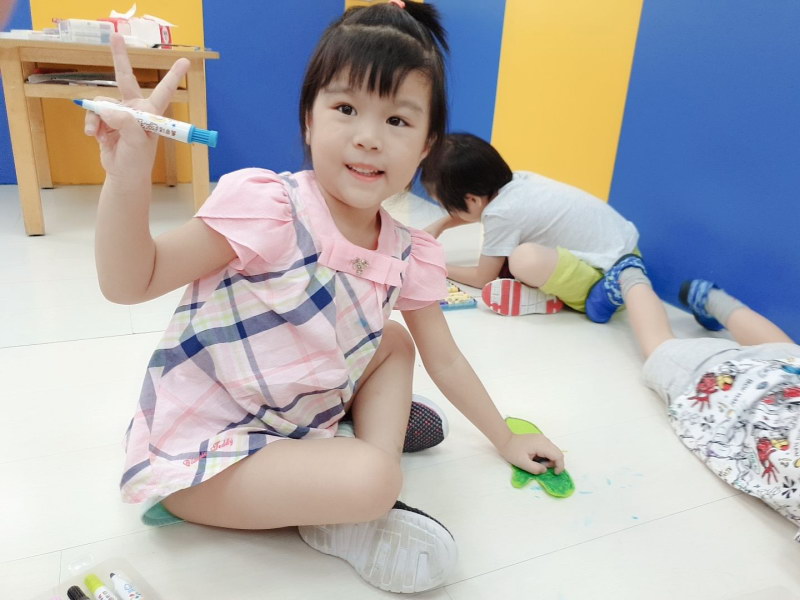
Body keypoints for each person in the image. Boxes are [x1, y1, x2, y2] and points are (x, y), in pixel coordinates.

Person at [83, 2, 565, 594]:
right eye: (345, 109)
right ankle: (357, 495)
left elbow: (446, 359)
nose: (368, 138)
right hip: (204, 452)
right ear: (309, 119)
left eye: (397, 120)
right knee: (372, 481)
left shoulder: (409, 251)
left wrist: (506, 437)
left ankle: (353, 467)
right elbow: (131, 282)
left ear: (426, 147)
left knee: (394, 342)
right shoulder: (268, 207)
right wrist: (127, 171)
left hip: (297, 413)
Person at [590, 257, 800, 540]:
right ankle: (629, 276)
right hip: (729, 390)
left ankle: (711, 299)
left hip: (785, 379)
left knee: (784, 352)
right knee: (659, 348)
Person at [420, 132, 640, 318]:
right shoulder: (516, 182)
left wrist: (439, 266)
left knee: (522, 260)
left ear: (472, 199)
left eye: (447, 206)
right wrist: (439, 226)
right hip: (624, 251)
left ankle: (581, 296)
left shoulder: (501, 214)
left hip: (610, 279)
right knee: (507, 258)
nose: (449, 213)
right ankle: (539, 295)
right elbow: (475, 211)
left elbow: (482, 278)